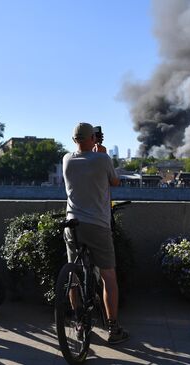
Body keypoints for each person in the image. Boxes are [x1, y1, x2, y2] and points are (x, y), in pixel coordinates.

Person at [62, 122, 129, 345]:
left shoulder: (66, 159)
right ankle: (113, 327)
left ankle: (79, 322)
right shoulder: (102, 159)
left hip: (72, 224)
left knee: (74, 275)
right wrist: (102, 152)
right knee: (108, 276)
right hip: (97, 225)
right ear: (93, 137)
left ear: (73, 140)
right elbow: (115, 182)